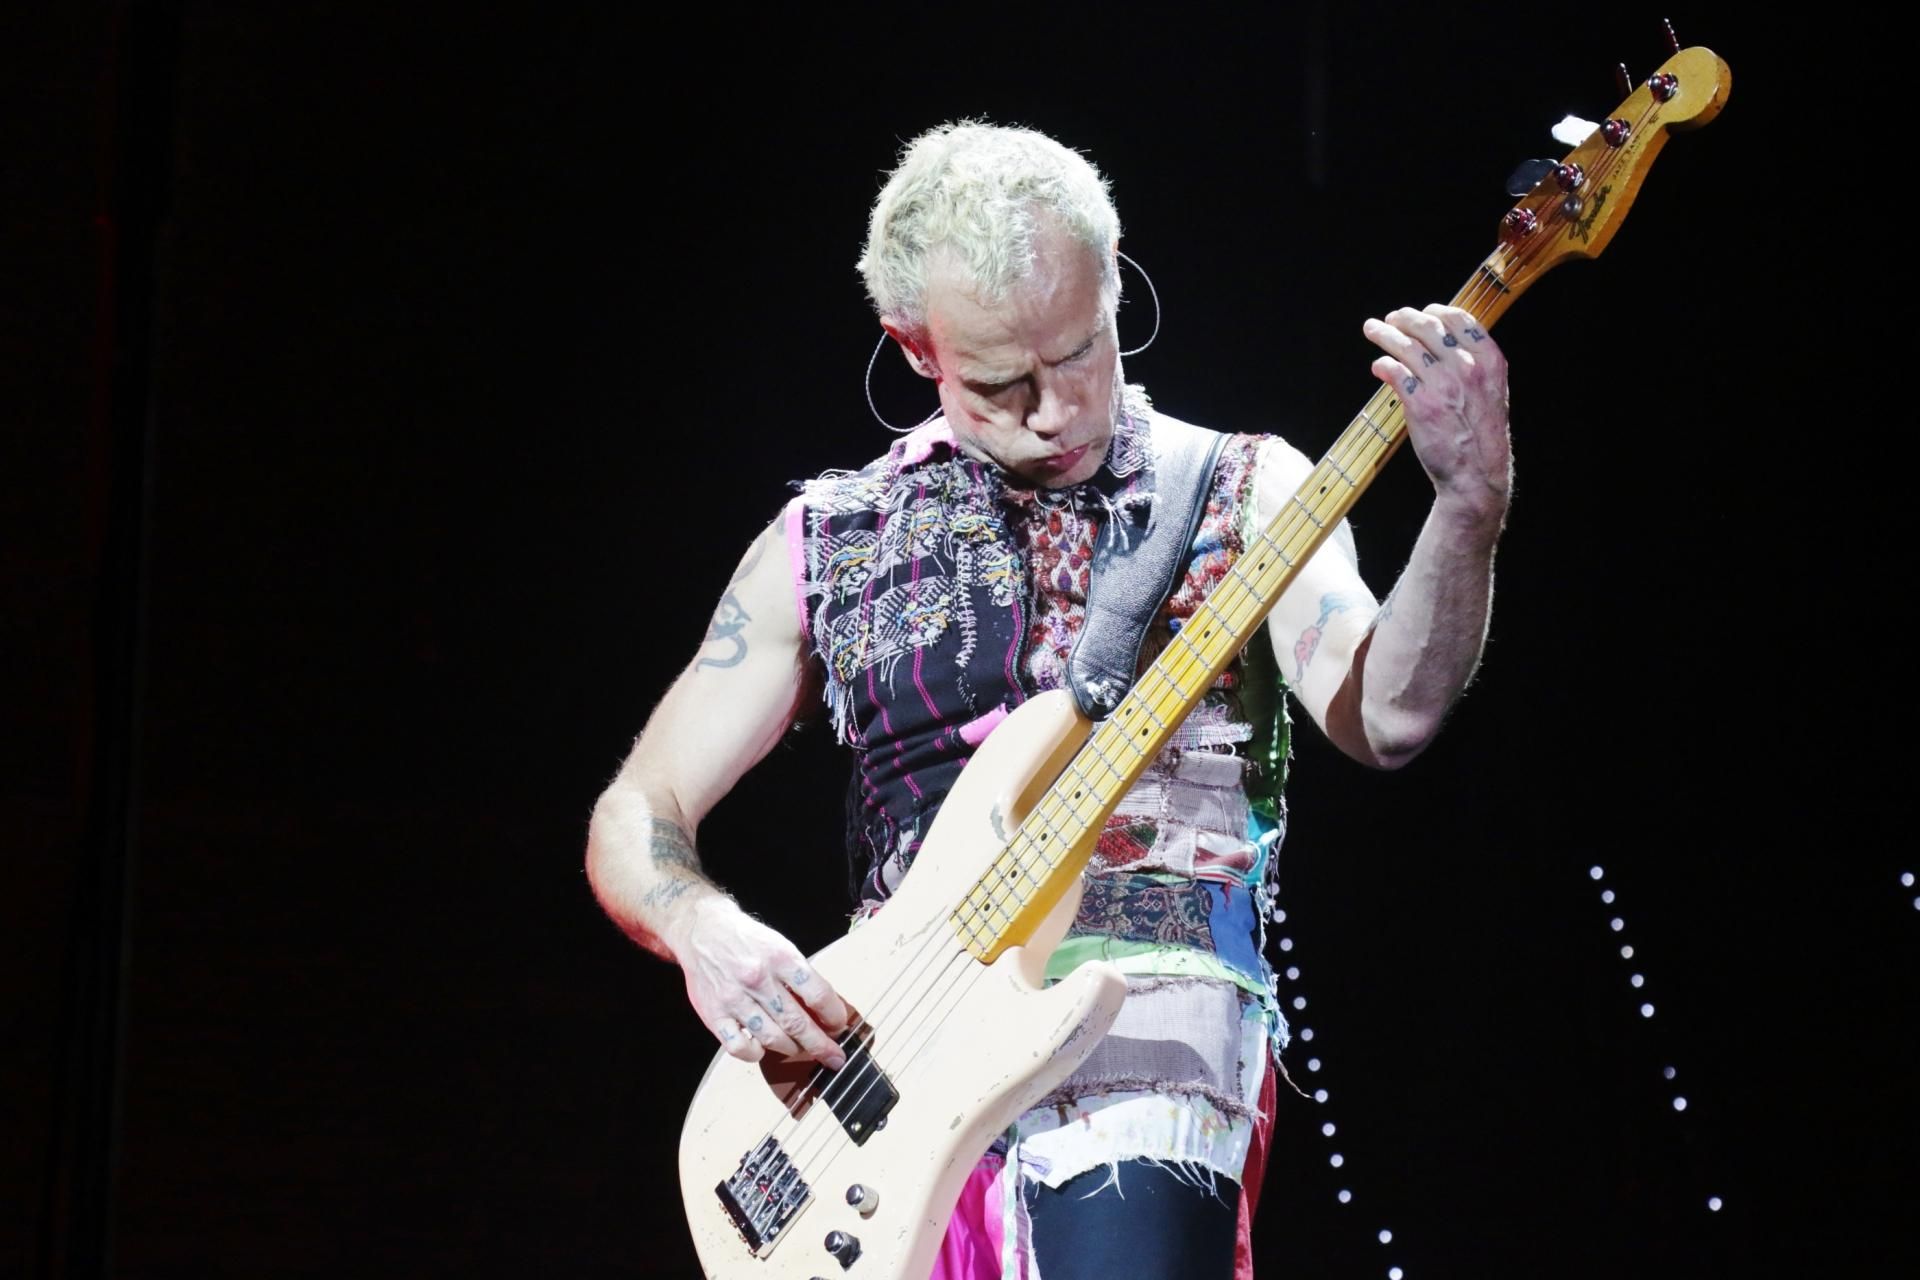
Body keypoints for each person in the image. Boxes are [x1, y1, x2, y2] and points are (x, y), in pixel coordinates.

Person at [584, 121, 1510, 1279]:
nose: (1055, 409)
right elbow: (639, 807)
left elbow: (1389, 716)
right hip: (890, 1080)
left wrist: (1468, 506)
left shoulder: (1241, 488)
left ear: (1114, 281)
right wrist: (700, 928)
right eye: (1000, 383)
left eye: (1080, 353)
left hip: (1153, 1033)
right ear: (914, 347)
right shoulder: (829, 539)